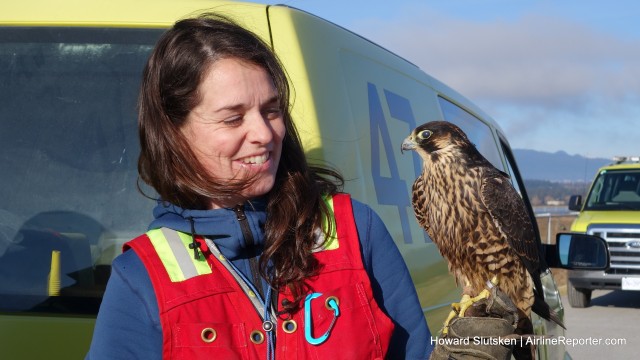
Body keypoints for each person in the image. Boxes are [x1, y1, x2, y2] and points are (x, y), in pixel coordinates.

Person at [86, 13, 432, 359]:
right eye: (233, 118)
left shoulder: (354, 229)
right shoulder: (143, 276)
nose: (265, 135)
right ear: (174, 133)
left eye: (271, 110)